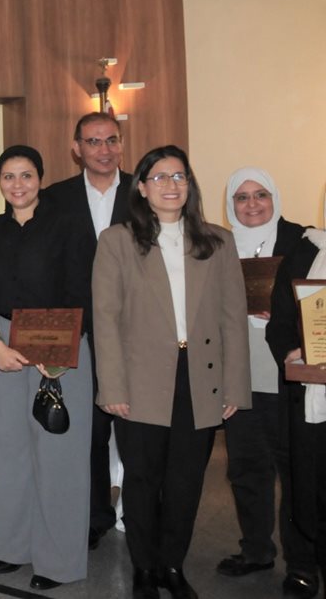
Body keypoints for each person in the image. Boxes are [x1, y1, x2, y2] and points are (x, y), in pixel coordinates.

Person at [93, 145, 250, 599]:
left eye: (179, 176)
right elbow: (106, 319)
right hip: (139, 379)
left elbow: (232, 320)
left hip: (199, 378)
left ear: (190, 185)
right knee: (142, 480)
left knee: (186, 481)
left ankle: (172, 565)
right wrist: (112, 387)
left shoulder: (217, 242)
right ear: (141, 188)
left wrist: (235, 386)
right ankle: (144, 567)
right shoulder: (117, 241)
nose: (171, 185)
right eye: (159, 177)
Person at [0, 145, 95, 591]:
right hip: (2, 347)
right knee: (7, 451)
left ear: (40, 179)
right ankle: (10, 548)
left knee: (58, 455)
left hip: (60, 346)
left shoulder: (70, 226)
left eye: (26, 175)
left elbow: (83, 289)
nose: (18, 184)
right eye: (9, 176)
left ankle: (58, 561)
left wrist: (56, 349)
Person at [218, 167, 316, 592]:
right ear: (230, 205)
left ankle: (302, 562)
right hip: (240, 375)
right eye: (241, 197)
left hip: (287, 377)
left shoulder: (303, 242)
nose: (252, 204)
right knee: (246, 470)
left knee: (297, 474)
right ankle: (256, 550)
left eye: (261, 194)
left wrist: (286, 312)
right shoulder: (216, 247)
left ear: (274, 197)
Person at [43, 112, 132, 549]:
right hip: (78, 333)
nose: (103, 150)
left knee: (137, 430)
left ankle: (139, 514)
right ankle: (96, 515)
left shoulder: (143, 192)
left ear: (122, 144)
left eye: (111, 140)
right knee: (92, 431)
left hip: (136, 332)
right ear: (76, 148)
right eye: (93, 141)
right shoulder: (53, 198)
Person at [266, 191, 326, 599]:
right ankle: (303, 564)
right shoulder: (306, 251)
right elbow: (281, 321)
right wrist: (291, 350)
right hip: (312, 397)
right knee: (306, 484)